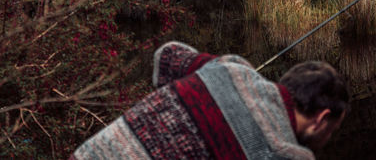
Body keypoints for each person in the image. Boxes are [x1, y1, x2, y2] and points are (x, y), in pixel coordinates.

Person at [70, 41, 349, 160]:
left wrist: (221, 68)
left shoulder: (233, 68)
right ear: (321, 119)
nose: (328, 137)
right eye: (333, 130)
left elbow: (165, 56)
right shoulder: (289, 155)